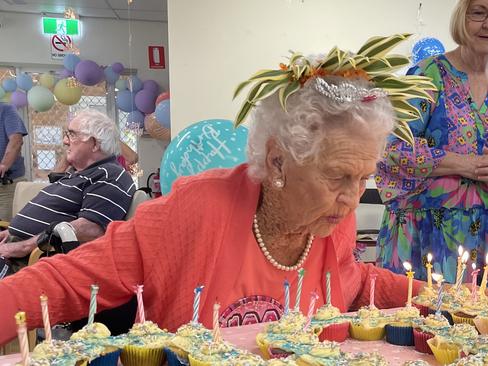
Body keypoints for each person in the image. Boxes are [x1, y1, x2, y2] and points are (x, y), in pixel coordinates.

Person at [0, 35, 443, 344]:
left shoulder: (331, 223)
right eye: (338, 176)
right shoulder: (196, 209)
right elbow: (70, 278)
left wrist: (445, 297)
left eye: (363, 178)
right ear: (277, 161)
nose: (353, 198)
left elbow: (352, 280)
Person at [375, 0, 488, 293]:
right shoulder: (426, 76)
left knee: (479, 332)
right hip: (420, 236)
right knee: (411, 330)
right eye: (479, 12)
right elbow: (391, 152)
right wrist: (468, 165)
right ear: (462, 17)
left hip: (486, 241)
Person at [0, 109, 136, 275]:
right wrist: (12, 232)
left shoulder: (110, 175)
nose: (65, 141)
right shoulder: (78, 173)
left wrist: (24, 246)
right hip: (13, 245)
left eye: (71, 135)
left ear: (94, 144)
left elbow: (92, 228)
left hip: (33, 259)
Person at [0, 102, 28, 221]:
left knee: (7, 229)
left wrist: (3, 165)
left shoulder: (6, 110)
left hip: (7, 184)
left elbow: (16, 141)